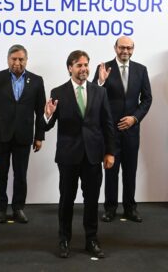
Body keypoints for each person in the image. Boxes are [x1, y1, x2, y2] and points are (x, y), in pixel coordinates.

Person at [43, 50, 115, 259]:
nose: (83, 69)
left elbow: (107, 124)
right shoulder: (58, 92)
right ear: (70, 68)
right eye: (79, 65)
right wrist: (47, 115)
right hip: (68, 156)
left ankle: (91, 239)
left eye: (85, 65)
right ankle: (64, 239)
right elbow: (46, 126)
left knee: (91, 200)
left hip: (93, 155)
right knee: (66, 199)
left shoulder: (99, 92)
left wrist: (110, 152)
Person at [94, 36, 152, 223]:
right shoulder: (104, 68)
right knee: (111, 171)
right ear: (115, 48)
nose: (125, 51)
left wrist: (134, 118)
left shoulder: (141, 70)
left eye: (129, 48)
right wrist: (101, 82)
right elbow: (94, 95)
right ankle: (110, 208)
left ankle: (130, 209)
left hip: (131, 131)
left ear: (133, 49)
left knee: (130, 171)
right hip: (110, 131)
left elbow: (147, 99)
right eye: (122, 48)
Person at [0, 44, 46, 224]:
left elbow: (41, 111)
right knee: (0, 174)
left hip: (24, 135)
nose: (17, 62)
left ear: (26, 60)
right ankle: (0, 208)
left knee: (21, 175)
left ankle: (18, 208)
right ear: (8, 60)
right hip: (1, 135)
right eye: (14, 59)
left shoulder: (37, 81)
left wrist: (39, 136)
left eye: (21, 59)